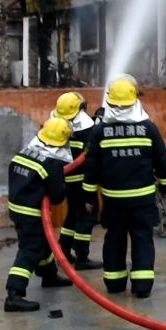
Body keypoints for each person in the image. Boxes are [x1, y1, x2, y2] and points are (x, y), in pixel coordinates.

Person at [83, 75, 166, 298]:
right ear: (135, 102)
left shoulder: (99, 131)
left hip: (114, 201)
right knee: (142, 238)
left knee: (114, 238)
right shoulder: (148, 129)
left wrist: (89, 198)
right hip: (142, 201)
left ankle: (114, 283)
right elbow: (161, 161)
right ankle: (142, 286)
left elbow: (91, 168)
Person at [4, 117, 74, 312]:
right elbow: (58, 197)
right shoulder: (52, 164)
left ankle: (49, 276)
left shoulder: (23, 153)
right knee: (30, 250)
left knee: (43, 243)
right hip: (32, 213)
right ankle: (14, 294)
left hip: (16, 208)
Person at [53, 91, 102, 270]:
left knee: (72, 215)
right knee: (87, 216)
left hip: (66, 181)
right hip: (83, 181)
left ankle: (64, 250)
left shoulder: (60, 127)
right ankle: (82, 256)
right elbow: (92, 154)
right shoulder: (88, 129)